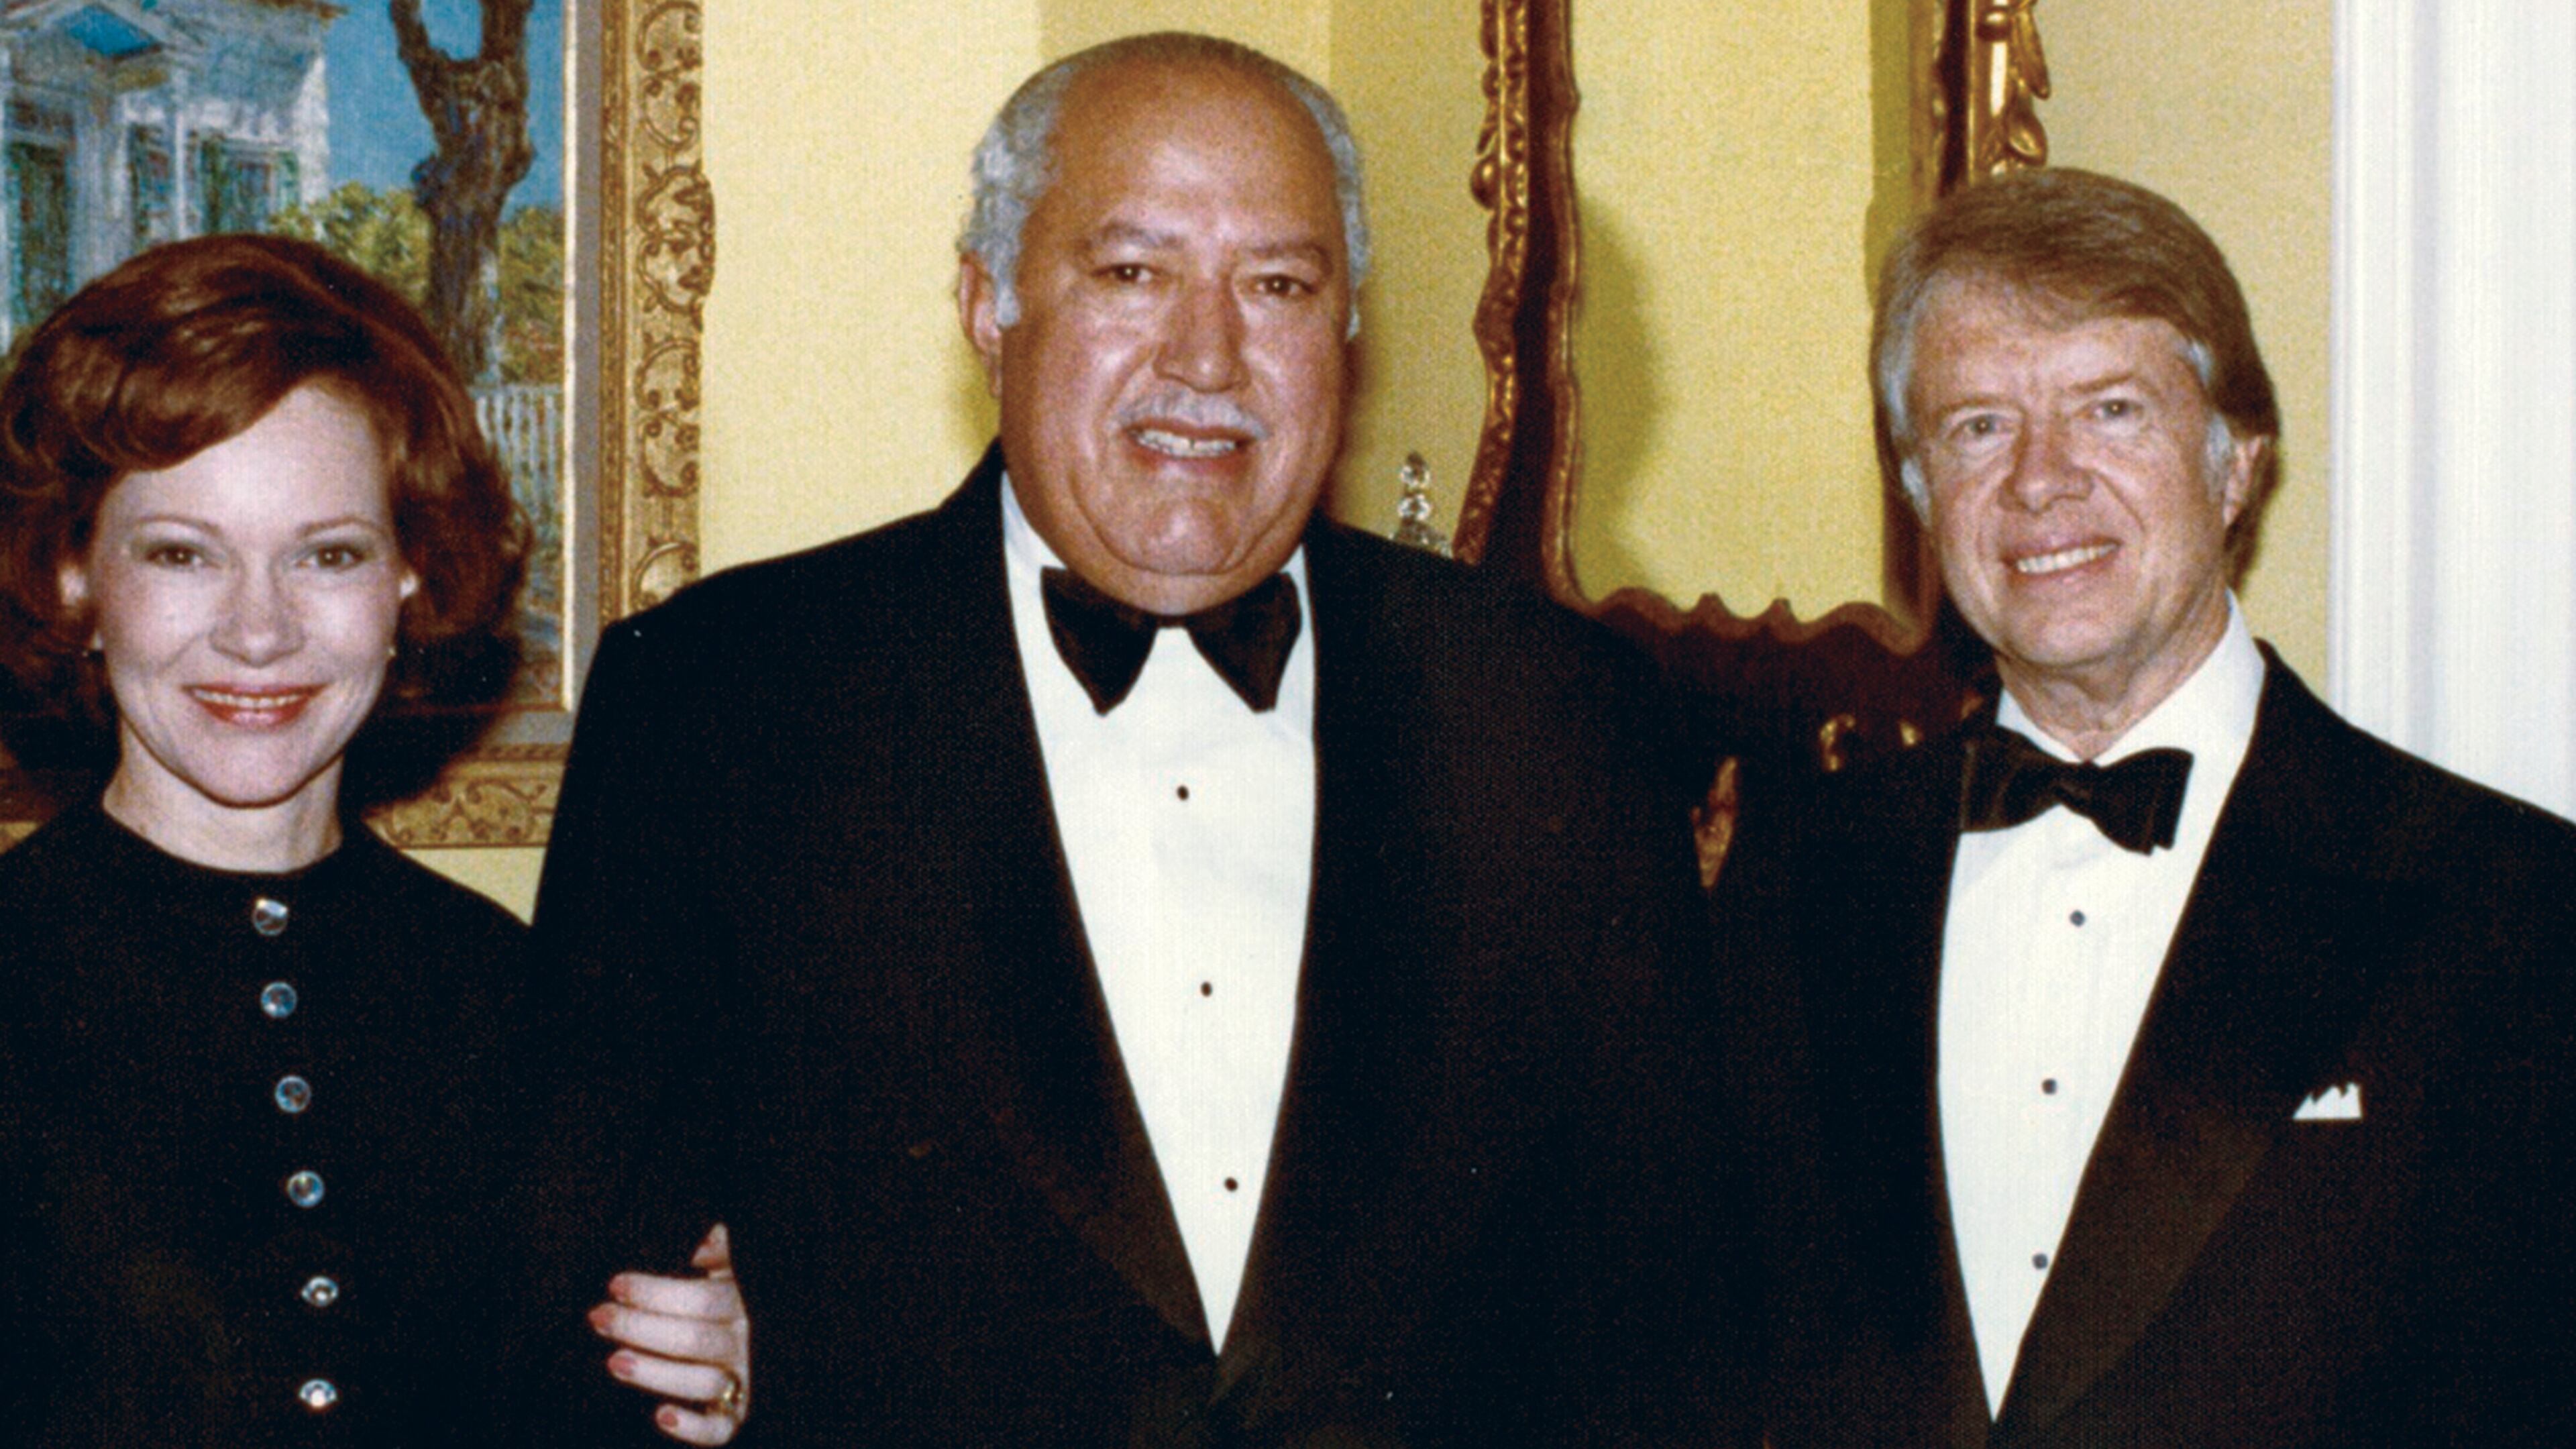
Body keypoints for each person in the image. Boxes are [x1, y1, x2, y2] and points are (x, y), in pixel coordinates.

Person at [523, 31, 1740, 1447]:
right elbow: (586, 1309)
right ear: (988, 302)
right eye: (1131, 273)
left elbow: (1671, 1328)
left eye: (1279, 286)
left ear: (1347, 323)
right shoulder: (723, 703)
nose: (1208, 355)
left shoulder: (1555, 712)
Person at [1712, 167, 2576, 1446]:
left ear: (2238, 466)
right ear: (1919, 496)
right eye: (1979, 428)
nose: (2042, 482)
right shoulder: (1802, 875)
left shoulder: (2505, 905)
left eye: (2111, 411)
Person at [0, 234, 746, 1445]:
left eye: (329, 554)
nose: (259, 631)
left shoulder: (535, 1006)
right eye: (183, 554)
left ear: (409, 581)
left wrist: (736, 1381)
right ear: (77, 578)